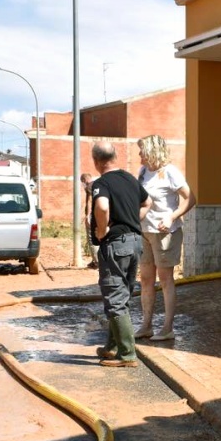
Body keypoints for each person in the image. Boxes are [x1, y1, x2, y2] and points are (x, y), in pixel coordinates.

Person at [90, 141, 151, 367]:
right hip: (135, 243)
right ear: (114, 157)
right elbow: (148, 202)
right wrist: (134, 220)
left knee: (115, 300)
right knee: (122, 296)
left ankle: (127, 355)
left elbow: (103, 207)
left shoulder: (101, 183)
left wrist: (102, 228)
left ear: (96, 161)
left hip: (116, 245)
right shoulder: (129, 178)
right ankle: (112, 347)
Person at [135, 134, 196, 342]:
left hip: (164, 234)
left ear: (152, 151)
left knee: (166, 279)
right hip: (144, 231)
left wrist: (172, 216)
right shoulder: (142, 172)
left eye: (142, 150)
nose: (139, 154)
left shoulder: (170, 172)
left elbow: (190, 198)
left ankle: (167, 327)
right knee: (145, 280)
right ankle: (146, 325)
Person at [81, 172, 97, 268]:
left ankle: (97, 262)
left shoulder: (89, 187)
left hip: (92, 216)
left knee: (91, 239)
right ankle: (95, 260)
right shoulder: (98, 184)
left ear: (84, 180)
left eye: (82, 182)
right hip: (101, 216)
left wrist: (87, 216)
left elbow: (89, 201)